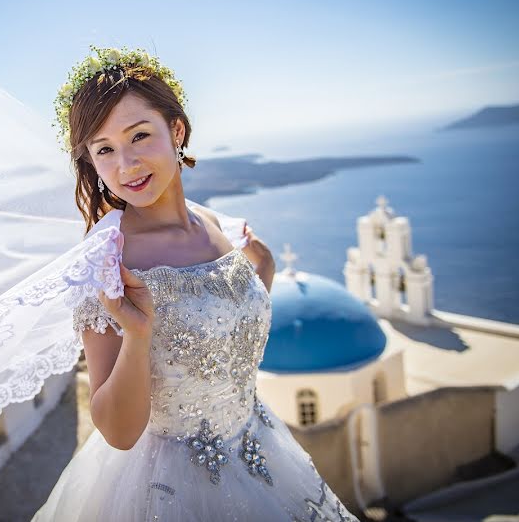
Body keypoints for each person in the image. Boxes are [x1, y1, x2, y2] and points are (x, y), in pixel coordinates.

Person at [32, 47, 359, 521]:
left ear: (177, 131)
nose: (125, 165)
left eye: (139, 136)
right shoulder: (107, 260)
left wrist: (260, 264)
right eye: (104, 149)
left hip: (260, 447)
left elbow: (236, 320)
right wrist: (138, 338)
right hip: (164, 490)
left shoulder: (214, 225)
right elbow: (117, 432)